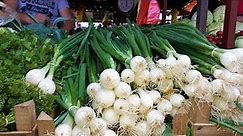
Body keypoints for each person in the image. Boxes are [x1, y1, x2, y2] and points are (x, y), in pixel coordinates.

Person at [3, 0, 74, 33]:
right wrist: (28, 19)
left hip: (49, 37)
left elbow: (69, 20)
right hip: (21, 34)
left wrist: (60, 33)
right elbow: (5, 14)